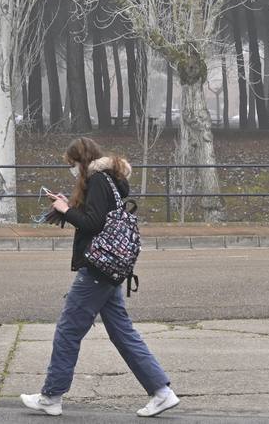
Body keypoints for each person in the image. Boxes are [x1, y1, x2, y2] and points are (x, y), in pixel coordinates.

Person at [22, 137, 179, 418]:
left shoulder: (97, 181)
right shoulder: (110, 180)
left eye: (71, 165)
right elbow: (98, 217)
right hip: (111, 270)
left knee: (68, 331)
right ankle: (162, 391)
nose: (71, 170)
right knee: (123, 333)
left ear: (81, 162)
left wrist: (66, 211)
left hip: (96, 270)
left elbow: (93, 224)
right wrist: (66, 205)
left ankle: (51, 396)